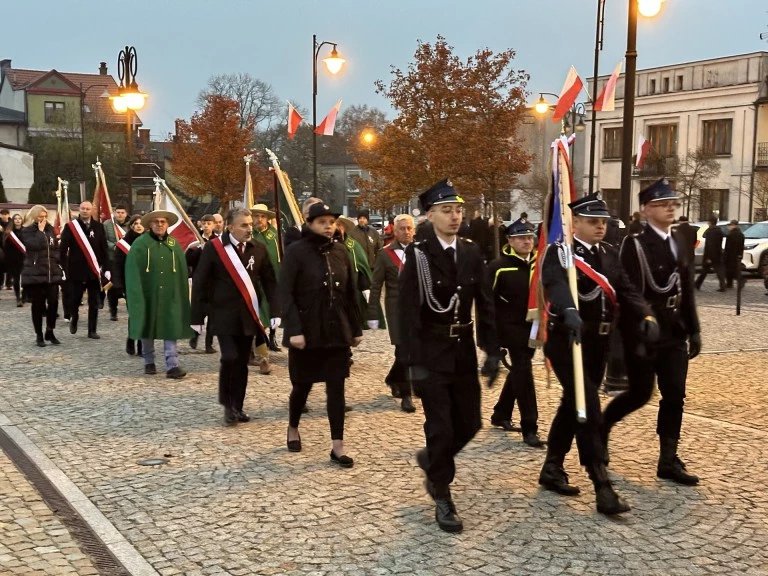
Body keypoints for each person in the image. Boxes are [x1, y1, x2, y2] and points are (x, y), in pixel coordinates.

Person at [538, 193, 657, 516]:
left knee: (572, 403)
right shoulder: (560, 253)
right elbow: (555, 283)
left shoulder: (608, 253)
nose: (600, 227)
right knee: (587, 407)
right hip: (568, 343)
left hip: (597, 346)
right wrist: (567, 308)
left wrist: (645, 314)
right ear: (574, 223)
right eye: (593, 221)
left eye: (603, 222)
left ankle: (551, 467)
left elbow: (627, 289)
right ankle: (602, 485)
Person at [398, 179, 500, 533]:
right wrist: (410, 361)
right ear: (430, 215)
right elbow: (407, 310)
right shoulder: (419, 254)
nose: (455, 216)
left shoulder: (471, 251)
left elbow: (484, 304)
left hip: (461, 352)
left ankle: (433, 463)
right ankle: (442, 494)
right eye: (446, 210)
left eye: (458, 209)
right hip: (431, 352)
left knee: (471, 423)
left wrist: (492, 350)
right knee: (440, 427)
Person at [602, 177, 701, 486]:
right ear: (645, 211)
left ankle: (668, 459)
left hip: (673, 330)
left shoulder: (679, 239)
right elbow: (627, 289)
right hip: (644, 331)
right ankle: (602, 426)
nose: (670, 208)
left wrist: (694, 329)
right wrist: (640, 325)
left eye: (673, 203)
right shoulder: (634, 244)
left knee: (675, 394)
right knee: (640, 393)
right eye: (662, 204)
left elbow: (686, 288)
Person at [281, 202, 362, 467]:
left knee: (336, 388)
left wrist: (355, 328)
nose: (328, 226)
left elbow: (350, 291)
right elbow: (286, 294)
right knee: (302, 387)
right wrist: (293, 330)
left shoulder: (341, 251)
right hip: (307, 331)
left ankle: (337, 446)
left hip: (336, 331)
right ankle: (293, 427)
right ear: (309, 224)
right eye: (322, 222)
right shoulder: (295, 252)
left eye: (331, 221)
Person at [192, 208, 280, 425]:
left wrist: (277, 311)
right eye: (244, 225)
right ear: (230, 227)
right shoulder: (214, 249)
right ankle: (227, 404)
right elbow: (201, 282)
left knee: (241, 360)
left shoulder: (258, 249)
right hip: (222, 314)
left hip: (248, 315)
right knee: (229, 357)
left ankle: (237, 406)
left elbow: (270, 281)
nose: (249, 228)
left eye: (250, 224)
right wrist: (196, 316)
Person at [486, 218, 544, 447]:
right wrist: (492, 341)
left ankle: (501, 413)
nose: (526, 241)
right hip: (509, 330)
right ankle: (530, 427)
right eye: (521, 237)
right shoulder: (498, 267)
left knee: (520, 371)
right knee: (525, 374)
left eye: (530, 237)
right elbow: (486, 306)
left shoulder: (539, 265)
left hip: (533, 328)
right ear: (510, 240)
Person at [124, 210, 192, 378]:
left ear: (167, 224)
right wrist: (135, 293)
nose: (160, 224)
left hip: (170, 295)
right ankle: (149, 361)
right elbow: (132, 271)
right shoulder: (140, 245)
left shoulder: (173, 245)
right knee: (148, 324)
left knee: (171, 326)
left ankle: (172, 364)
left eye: (163, 221)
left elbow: (182, 272)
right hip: (148, 292)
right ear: (150, 225)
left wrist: (181, 294)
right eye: (156, 222)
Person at [367, 214, 416, 413]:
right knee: (403, 352)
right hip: (396, 310)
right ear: (394, 231)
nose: (406, 232)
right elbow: (376, 285)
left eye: (409, 228)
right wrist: (372, 312)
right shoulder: (385, 254)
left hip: (418, 309)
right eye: (402, 228)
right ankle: (406, 394)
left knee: (412, 351)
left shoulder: (422, 252)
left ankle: (393, 378)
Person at [59, 201, 110, 339]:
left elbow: (104, 248)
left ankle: (92, 330)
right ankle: (74, 317)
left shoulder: (99, 227)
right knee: (75, 299)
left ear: (92, 210)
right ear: (79, 210)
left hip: (94, 271)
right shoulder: (71, 227)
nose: (85, 211)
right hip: (76, 270)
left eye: (88, 208)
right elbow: (63, 249)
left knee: (94, 301)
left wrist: (106, 267)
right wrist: (63, 268)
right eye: (83, 208)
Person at [20, 206, 63, 346]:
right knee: (38, 306)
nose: (43, 219)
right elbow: (33, 245)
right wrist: (39, 232)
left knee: (54, 303)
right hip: (36, 274)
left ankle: (50, 331)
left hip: (51, 273)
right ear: (33, 217)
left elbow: (55, 247)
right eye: (40, 216)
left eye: (44, 216)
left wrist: (56, 260)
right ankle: (39, 334)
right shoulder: (27, 231)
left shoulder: (50, 229)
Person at [251, 203, 282, 356]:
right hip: (254, 281)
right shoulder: (249, 235)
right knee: (257, 311)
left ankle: (272, 336)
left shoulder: (275, 237)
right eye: (256, 216)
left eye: (262, 216)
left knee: (272, 308)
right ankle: (259, 342)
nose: (259, 219)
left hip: (272, 279)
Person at [112, 214, 145, 356]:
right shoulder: (123, 244)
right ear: (131, 226)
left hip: (145, 283)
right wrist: (118, 286)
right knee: (135, 314)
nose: (138, 225)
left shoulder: (148, 241)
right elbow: (117, 266)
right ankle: (132, 338)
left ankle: (141, 344)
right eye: (135, 223)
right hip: (129, 283)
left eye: (141, 223)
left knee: (145, 314)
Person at [186, 214, 218, 353]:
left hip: (214, 282)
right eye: (204, 223)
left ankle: (208, 344)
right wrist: (200, 249)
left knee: (213, 314)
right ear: (200, 224)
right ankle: (194, 336)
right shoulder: (195, 241)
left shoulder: (218, 241)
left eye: (209, 223)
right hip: (199, 281)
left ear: (214, 225)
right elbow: (189, 260)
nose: (206, 226)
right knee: (198, 312)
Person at [103, 205, 129, 321]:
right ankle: (113, 311)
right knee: (113, 285)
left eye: (122, 212)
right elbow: (104, 239)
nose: (120, 214)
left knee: (129, 285)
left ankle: (132, 309)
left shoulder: (130, 224)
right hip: (113, 258)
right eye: (117, 212)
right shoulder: (108, 224)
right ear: (114, 212)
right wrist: (115, 246)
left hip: (128, 259)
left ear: (126, 213)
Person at [695, 216, 726, 291]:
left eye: (708, 222)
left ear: (710, 222)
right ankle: (723, 285)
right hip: (718, 253)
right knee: (719, 270)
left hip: (711, 255)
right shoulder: (719, 231)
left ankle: (697, 284)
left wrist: (709, 257)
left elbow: (710, 245)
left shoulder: (710, 231)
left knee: (705, 270)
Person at [3, 214, 26, 307]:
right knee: (16, 279)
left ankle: (24, 296)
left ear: (22, 220)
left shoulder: (26, 231)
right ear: (13, 220)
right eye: (15, 219)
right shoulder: (9, 233)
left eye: (19, 218)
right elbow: (6, 247)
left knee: (25, 279)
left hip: (25, 258)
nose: (17, 220)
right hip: (14, 259)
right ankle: (18, 298)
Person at [723, 219, 745, 289]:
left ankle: (731, 283)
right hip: (737, 255)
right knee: (735, 269)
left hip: (730, 255)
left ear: (733, 225)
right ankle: (733, 282)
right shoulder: (741, 234)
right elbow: (741, 246)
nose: (729, 227)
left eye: (730, 225)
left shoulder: (730, 234)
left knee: (730, 270)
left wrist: (725, 255)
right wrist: (740, 254)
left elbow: (727, 246)